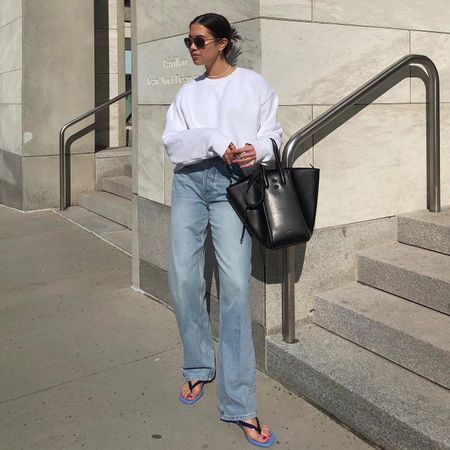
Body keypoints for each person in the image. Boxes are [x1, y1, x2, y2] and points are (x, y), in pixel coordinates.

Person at [162, 12, 282, 448]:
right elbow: (173, 142)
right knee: (183, 276)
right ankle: (197, 366)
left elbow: (275, 137)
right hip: (191, 183)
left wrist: (258, 150)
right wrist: (214, 137)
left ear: (224, 43)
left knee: (233, 285)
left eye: (199, 41)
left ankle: (240, 403)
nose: (192, 48)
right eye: (189, 41)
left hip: (235, 186)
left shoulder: (253, 85)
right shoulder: (187, 92)